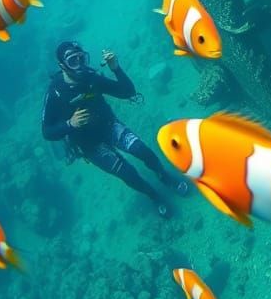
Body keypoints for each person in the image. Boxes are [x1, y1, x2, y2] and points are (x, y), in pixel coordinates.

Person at [41, 41, 189, 218]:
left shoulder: (91, 78)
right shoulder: (55, 93)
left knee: (143, 151)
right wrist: (69, 124)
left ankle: (164, 176)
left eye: (82, 59)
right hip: (89, 146)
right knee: (128, 175)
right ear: (62, 66)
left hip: (109, 126)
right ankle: (154, 197)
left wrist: (115, 68)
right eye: (73, 61)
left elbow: (127, 92)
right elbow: (47, 131)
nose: (79, 65)